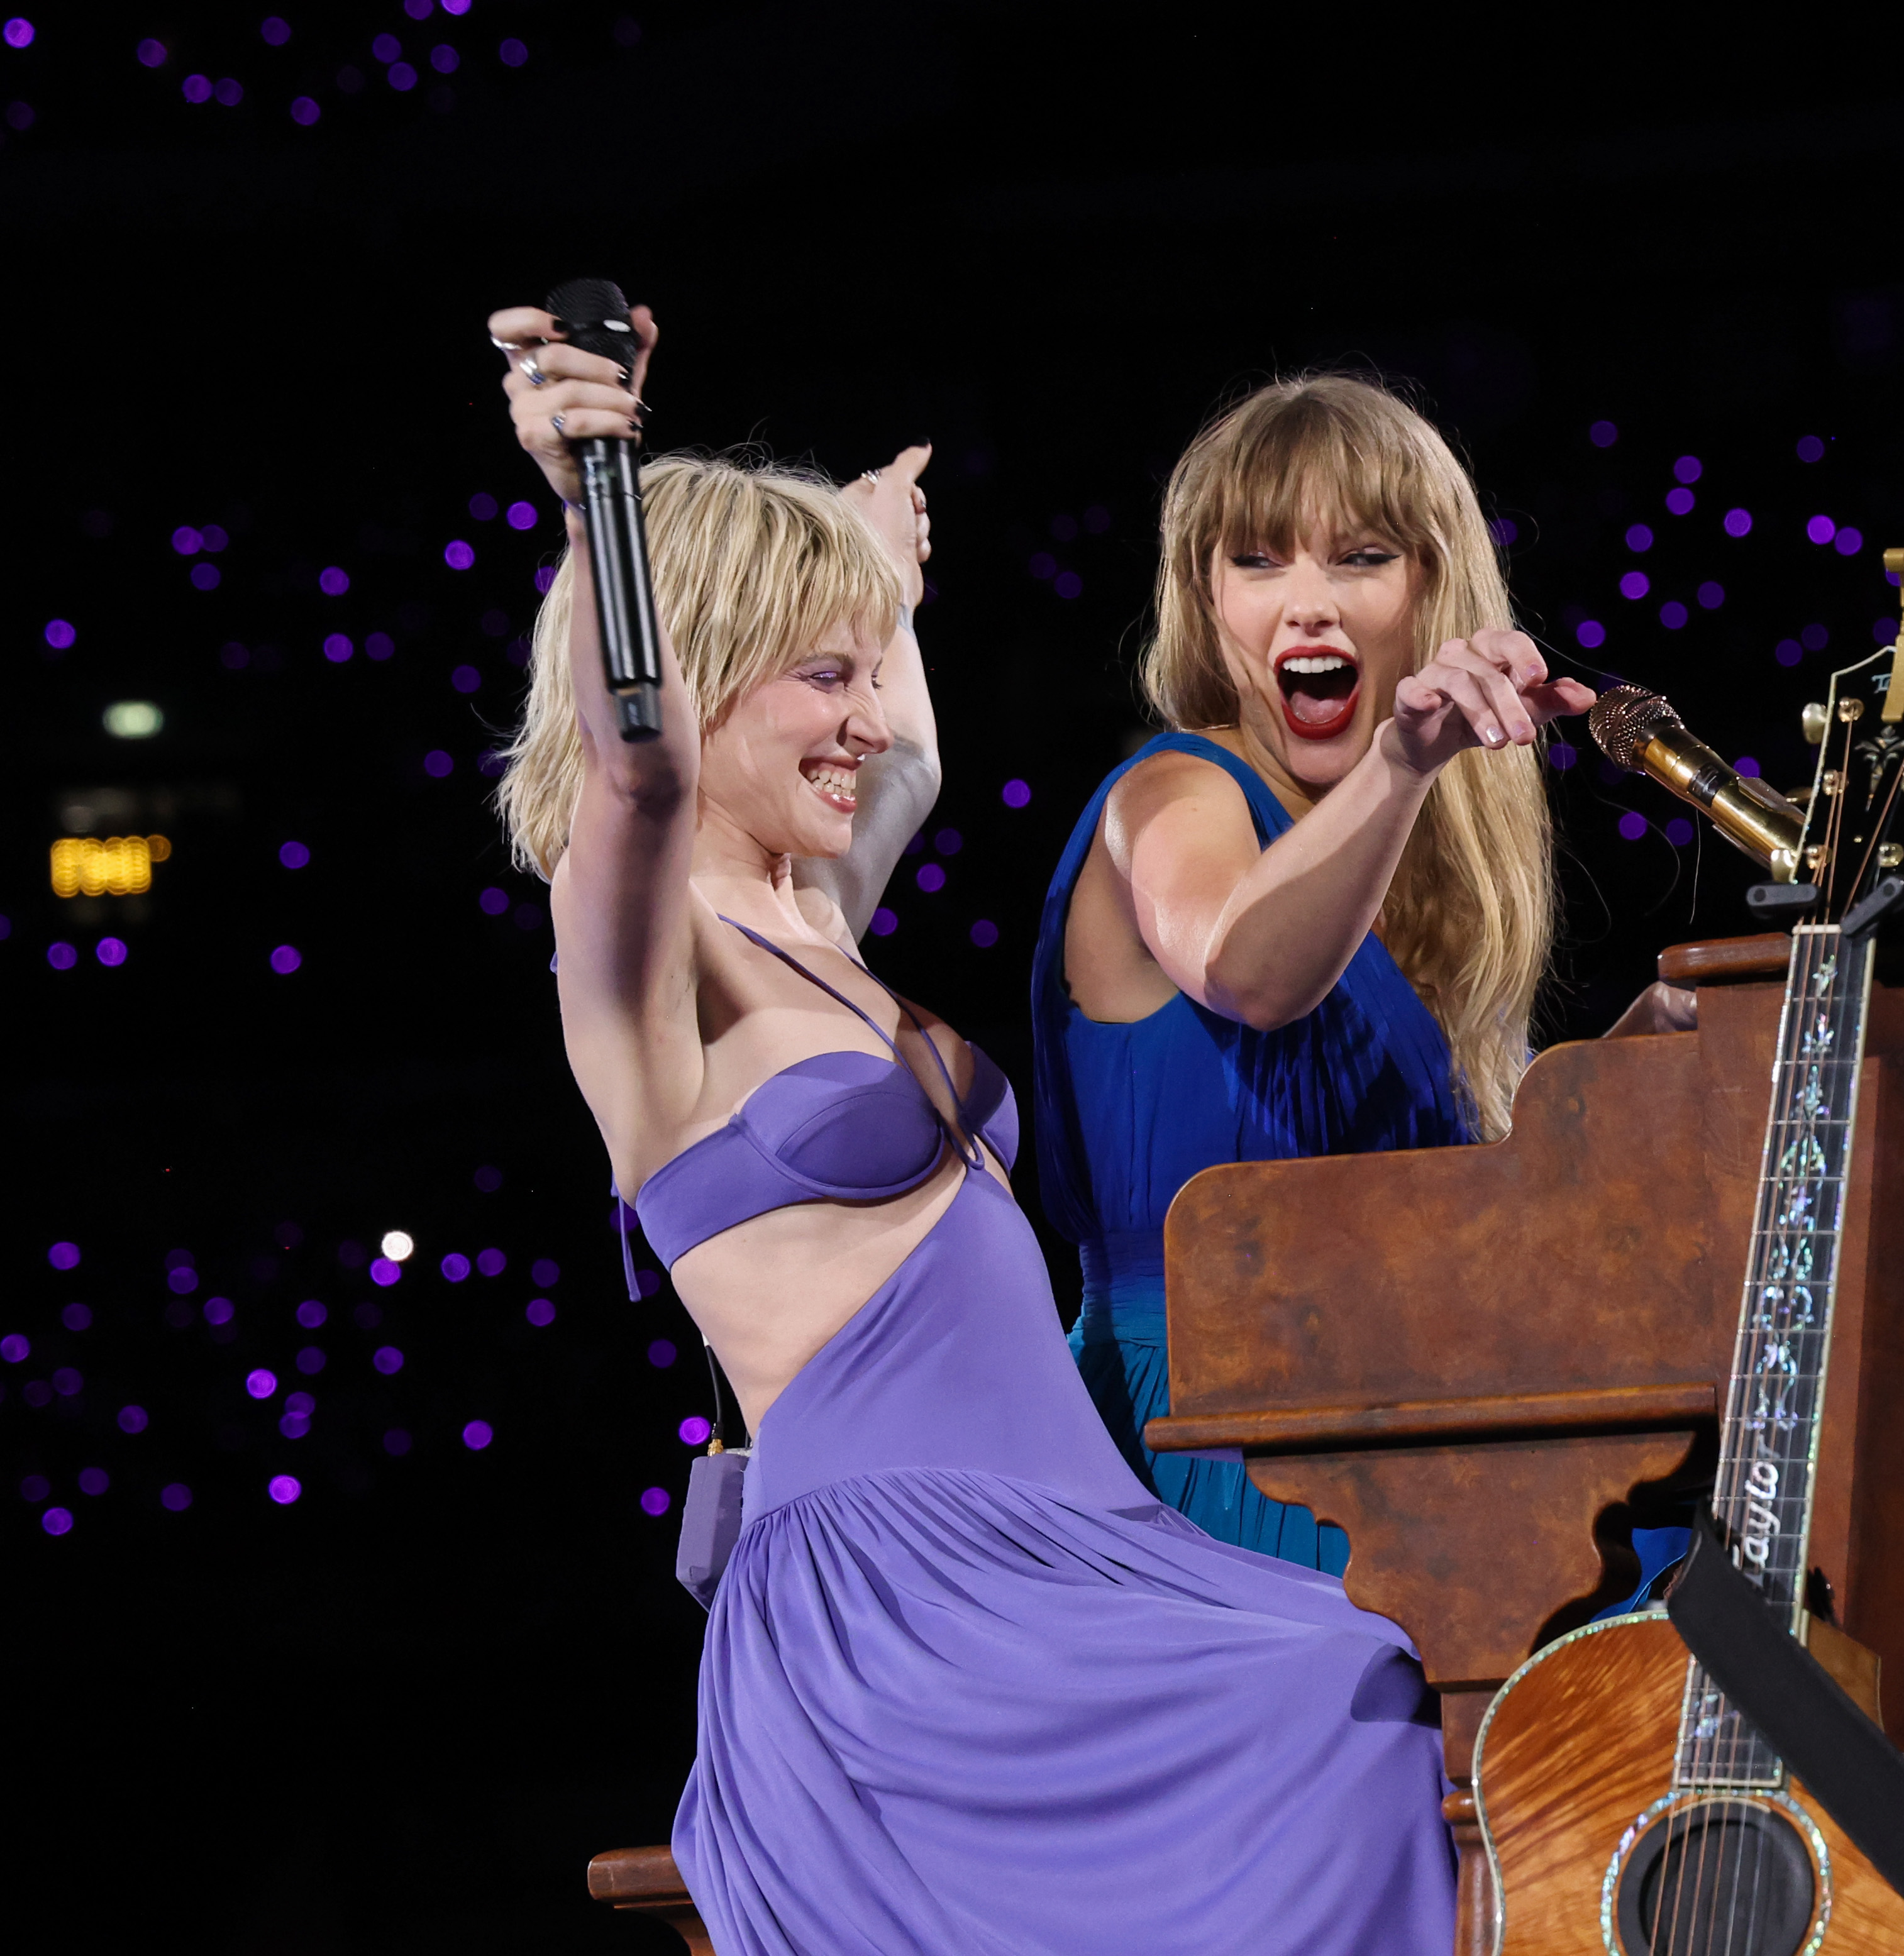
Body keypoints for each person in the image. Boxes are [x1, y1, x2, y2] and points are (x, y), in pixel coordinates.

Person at [483, 305, 1453, 1956]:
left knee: (1405, 1667)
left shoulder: (819, 925)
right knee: (1340, 1697)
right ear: (702, 667)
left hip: (1092, 1546)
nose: (866, 718)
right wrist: (599, 500)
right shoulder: (642, 967)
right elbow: (642, 772)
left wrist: (870, 580)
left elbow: (907, 758)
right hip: (914, 1595)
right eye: (821, 677)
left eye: (865, 675)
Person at [1026, 374, 1596, 1572]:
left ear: (1428, 592)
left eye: (1360, 558)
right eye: (1258, 562)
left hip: (1402, 1436)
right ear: (1205, 598)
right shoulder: (1176, 789)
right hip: (1213, 1441)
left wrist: (1660, 1051)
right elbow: (1247, 970)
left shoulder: (1419, 863)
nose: (1308, 607)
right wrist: (1402, 761)